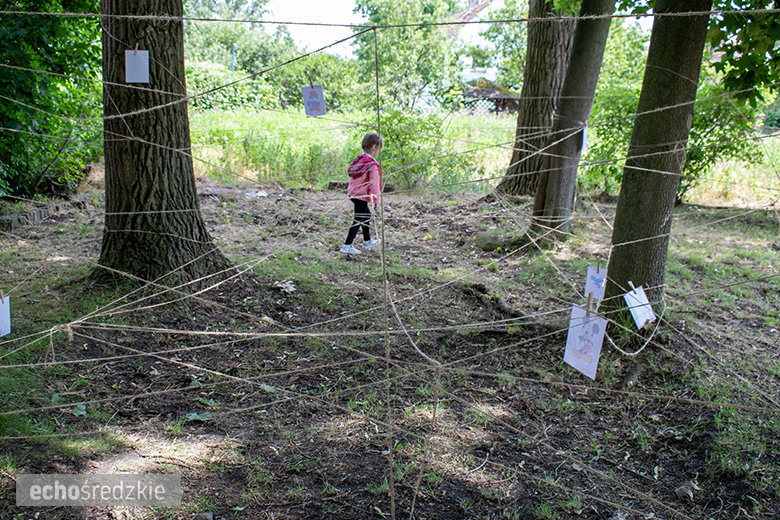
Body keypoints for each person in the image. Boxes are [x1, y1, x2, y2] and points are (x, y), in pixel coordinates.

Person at [341, 132, 382, 255]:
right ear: (374, 147)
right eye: (379, 148)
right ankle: (347, 245)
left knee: (366, 215)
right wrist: (376, 201)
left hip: (353, 193)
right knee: (358, 219)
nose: (378, 151)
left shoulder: (359, 159)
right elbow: (375, 185)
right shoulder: (372, 165)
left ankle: (367, 241)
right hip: (361, 195)